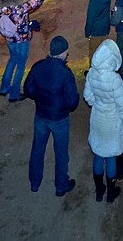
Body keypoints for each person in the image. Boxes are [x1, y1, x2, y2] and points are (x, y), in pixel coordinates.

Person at [23, 34, 80, 197]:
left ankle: (35, 182)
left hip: (41, 116)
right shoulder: (65, 73)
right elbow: (72, 101)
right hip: (59, 119)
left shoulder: (38, 66)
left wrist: (40, 98)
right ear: (63, 52)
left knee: (37, 149)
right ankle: (61, 185)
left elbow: (28, 90)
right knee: (61, 152)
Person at [83, 39, 123, 203]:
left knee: (98, 153)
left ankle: (99, 191)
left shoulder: (92, 73)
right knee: (111, 156)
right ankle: (111, 193)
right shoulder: (114, 79)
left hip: (97, 118)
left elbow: (87, 96)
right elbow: (122, 104)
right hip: (112, 121)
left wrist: (97, 104)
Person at [0, 0, 53, 102]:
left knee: (12, 60)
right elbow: (38, 0)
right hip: (22, 40)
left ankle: (4, 88)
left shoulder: (2, 5)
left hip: (10, 39)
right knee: (20, 66)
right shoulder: (22, 7)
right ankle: (14, 94)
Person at [84, 0, 112, 67]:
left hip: (95, 33)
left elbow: (90, 20)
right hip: (105, 30)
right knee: (104, 53)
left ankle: (93, 70)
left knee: (94, 53)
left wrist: (87, 33)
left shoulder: (93, 2)